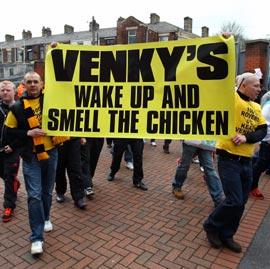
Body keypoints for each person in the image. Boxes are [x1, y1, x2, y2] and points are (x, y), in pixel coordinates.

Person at [203, 72, 267, 253]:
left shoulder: (255, 107)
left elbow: (262, 131)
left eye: (260, 86)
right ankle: (211, 225)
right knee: (234, 200)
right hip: (228, 158)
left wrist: (246, 137)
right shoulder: (231, 99)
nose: (259, 89)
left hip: (247, 161)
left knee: (241, 202)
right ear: (243, 85)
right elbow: (218, 85)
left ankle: (227, 234)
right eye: (256, 85)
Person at [4, 72, 59, 255]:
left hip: (51, 153)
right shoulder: (17, 108)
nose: (33, 84)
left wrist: (56, 54)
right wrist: (27, 134)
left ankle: (46, 217)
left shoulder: (52, 100)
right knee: (34, 195)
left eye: (36, 81)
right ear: (24, 85)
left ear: (42, 83)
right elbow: (8, 134)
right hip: (31, 157)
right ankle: (36, 237)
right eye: (29, 82)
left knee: (46, 192)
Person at [172, 140, 223, 207]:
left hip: (206, 143)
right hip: (191, 141)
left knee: (210, 170)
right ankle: (177, 186)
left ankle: (218, 199)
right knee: (184, 165)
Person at [0, 81, 21, 222]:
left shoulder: (20, 109)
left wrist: (13, 146)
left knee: (9, 177)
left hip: (12, 150)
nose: (5, 92)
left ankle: (9, 206)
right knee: (3, 174)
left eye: (8, 90)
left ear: (15, 92)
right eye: (2, 90)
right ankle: (15, 184)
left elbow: (24, 132)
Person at [55, 138, 87, 208]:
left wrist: (82, 136)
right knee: (59, 168)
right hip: (59, 139)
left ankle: (79, 197)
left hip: (74, 139)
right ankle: (60, 191)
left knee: (76, 168)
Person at [250, 91, 270, 199]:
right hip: (266, 141)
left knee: (260, 163)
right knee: (261, 164)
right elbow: (264, 124)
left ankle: (250, 183)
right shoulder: (268, 106)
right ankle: (252, 186)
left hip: (266, 140)